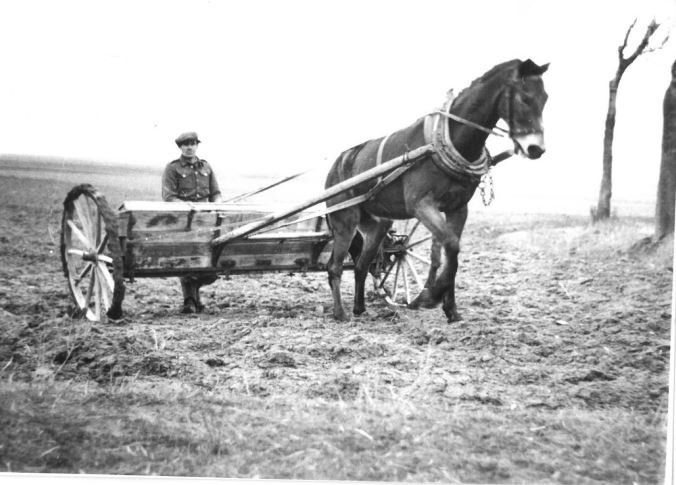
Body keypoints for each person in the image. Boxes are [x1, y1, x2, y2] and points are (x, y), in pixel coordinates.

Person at [162, 131, 222, 314]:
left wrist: (217, 207)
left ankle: (194, 294)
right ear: (180, 147)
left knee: (211, 262)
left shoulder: (206, 166)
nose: (189, 147)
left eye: (192, 143)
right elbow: (169, 197)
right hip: (183, 220)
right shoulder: (172, 168)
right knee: (187, 259)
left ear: (197, 145)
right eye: (185, 144)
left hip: (206, 219)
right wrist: (187, 207)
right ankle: (189, 301)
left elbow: (216, 193)